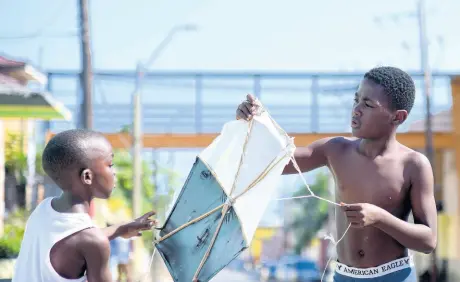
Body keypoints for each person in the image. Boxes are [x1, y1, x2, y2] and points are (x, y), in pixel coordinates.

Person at [236, 66, 437, 282]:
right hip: (344, 276)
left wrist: (380, 218)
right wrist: (248, 126)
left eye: (368, 104)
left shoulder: (414, 165)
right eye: (356, 99)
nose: (356, 109)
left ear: (397, 117)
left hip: (395, 275)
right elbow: (275, 164)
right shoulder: (336, 150)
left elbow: (428, 240)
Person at [12, 129, 157, 282]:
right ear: (87, 176)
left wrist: (121, 228)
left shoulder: (43, 209)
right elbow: (87, 240)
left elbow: (76, 239)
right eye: (110, 164)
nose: (115, 172)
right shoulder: (92, 240)